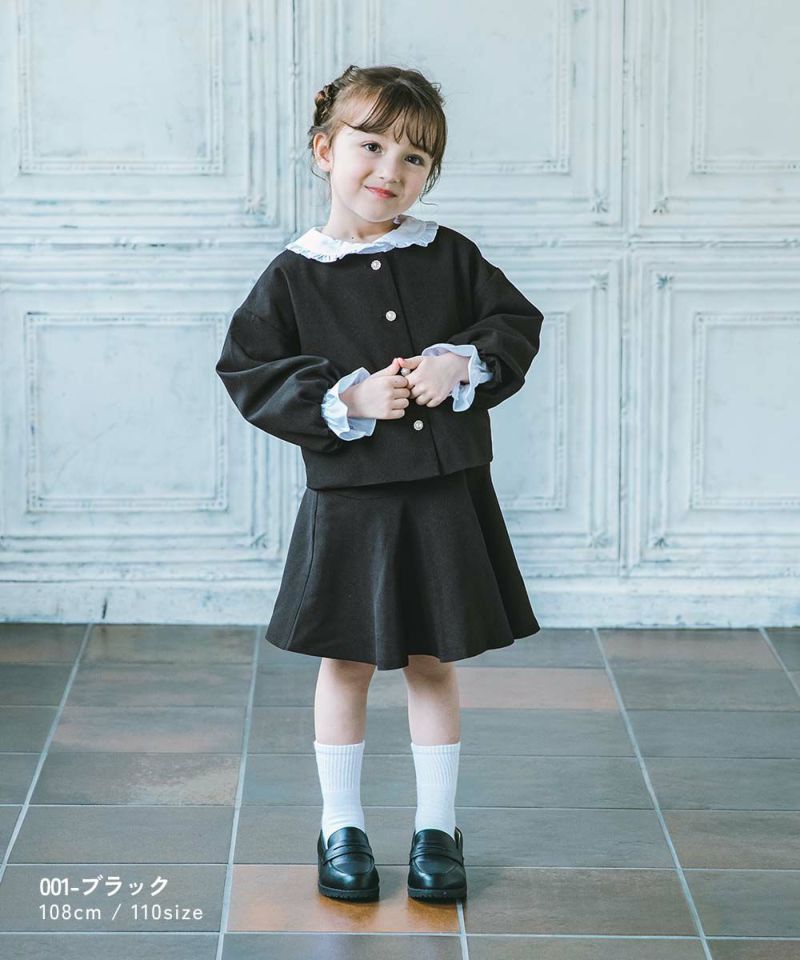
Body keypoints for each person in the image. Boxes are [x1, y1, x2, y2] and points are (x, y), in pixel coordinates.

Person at [215, 64, 544, 904]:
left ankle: (438, 827)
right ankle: (342, 826)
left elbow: (515, 324)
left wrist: (459, 362)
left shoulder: (448, 254)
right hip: (352, 503)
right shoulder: (293, 275)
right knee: (348, 663)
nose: (390, 170)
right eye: (371, 146)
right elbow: (248, 370)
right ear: (325, 150)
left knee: (433, 661)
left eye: (414, 157)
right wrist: (347, 399)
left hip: (445, 497)